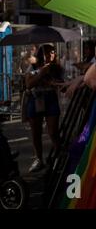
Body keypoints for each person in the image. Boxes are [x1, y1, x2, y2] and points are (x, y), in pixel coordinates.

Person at [25, 44, 64, 172]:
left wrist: (56, 83)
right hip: (35, 99)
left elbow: (62, 85)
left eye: (53, 52)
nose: (51, 55)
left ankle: (59, 157)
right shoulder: (33, 67)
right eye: (47, 52)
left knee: (53, 131)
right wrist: (41, 73)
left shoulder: (57, 68)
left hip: (51, 99)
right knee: (36, 133)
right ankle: (38, 159)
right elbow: (29, 84)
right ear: (41, 54)